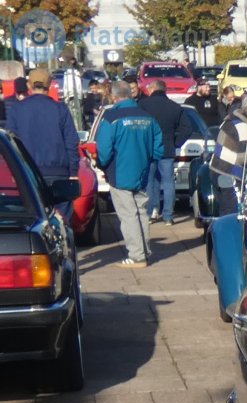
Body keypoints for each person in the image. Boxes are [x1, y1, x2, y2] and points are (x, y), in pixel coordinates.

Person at [96, 80, 163, 266]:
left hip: (119, 171)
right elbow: (158, 146)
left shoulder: (111, 117)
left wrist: (102, 165)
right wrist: (150, 160)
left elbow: (104, 149)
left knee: (128, 214)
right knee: (141, 211)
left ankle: (136, 255)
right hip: (141, 170)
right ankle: (144, 250)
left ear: (114, 97)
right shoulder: (147, 116)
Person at [4, 67, 79, 215]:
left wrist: (14, 171)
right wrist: (73, 171)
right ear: (49, 85)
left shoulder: (16, 110)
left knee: (35, 218)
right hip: (59, 173)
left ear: (29, 86)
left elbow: (10, 144)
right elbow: (71, 142)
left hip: (28, 173)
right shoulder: (60, 109)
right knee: (62, 220)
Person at [136, 79, 184, 224]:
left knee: (150, 181)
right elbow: (186, 128)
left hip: (149, 148)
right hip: (167, 147)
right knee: (168, 181)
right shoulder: (175, 107)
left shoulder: (143, 105)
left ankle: (151, 212)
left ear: (152, 89)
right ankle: (168, 216)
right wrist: (176, 142)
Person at [209, 88, 247, 216]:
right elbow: (244, 158)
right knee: (232, 213)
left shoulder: (232, 120)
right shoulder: (242, 128)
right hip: (229, 174)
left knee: (224, 210)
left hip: (218, 169)